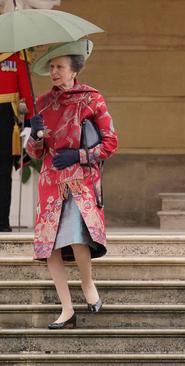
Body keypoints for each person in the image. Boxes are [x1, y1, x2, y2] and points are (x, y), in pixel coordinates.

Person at [26, 39, 118, 329]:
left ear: (73, 70)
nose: (54, 72)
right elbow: (34, 153)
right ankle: (66, 309)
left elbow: (111, 143)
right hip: (50, 181)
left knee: (78, 236)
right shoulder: (41, 103)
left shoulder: (92, 99)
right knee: (50, 246)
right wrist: (37, 136)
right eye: (51, 67)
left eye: (60, 67)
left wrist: (78, 154)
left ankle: (88, 284)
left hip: (80, 180)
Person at [0, 50, 35, 232]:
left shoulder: (17, 56)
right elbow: (26, 92)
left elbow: (26, 92)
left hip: (6, 122)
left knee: (3, 174)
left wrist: (30, 121)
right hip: (5, 121)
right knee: (3, 174)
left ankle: (2, 223)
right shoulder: (17, 57)